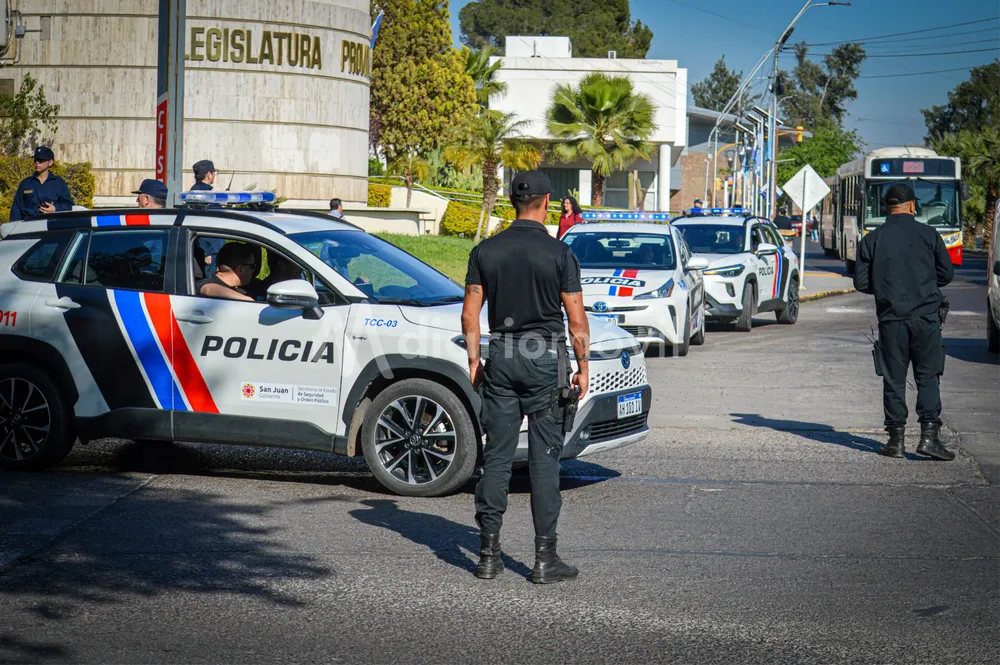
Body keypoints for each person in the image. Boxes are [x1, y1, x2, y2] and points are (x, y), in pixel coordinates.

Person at [462, 170, 589, 585]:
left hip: (501, 356)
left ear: (514, 202)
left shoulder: (485, 251)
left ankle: (487, 555)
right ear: (547, 202)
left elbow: (469, 314)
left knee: (497, 457)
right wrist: (583, 368)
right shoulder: (559, 254)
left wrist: (474, 361)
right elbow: (576, 321)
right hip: (544, 360)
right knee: (544, 461)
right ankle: (544, 559)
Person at [854, 183, 955, 461]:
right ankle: (929, 438)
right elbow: (946, 274)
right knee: (928, 376)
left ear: (888, 207)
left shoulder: (871, 240)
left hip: (891, 320)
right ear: (912, 205)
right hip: (926, 319)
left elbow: (861, 282)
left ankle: (896, 441)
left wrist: (887, 287)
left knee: (893, 379)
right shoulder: (929, 235)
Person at [9, 146, 75, 221]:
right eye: (35, 160)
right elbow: (16, 209)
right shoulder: (25, 184)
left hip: (52, 227)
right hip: (29, 227)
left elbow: (69, 206)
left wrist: (55, 209)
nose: (37, 163)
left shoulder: (59, 183)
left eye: (40, 160)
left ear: (50, 162)